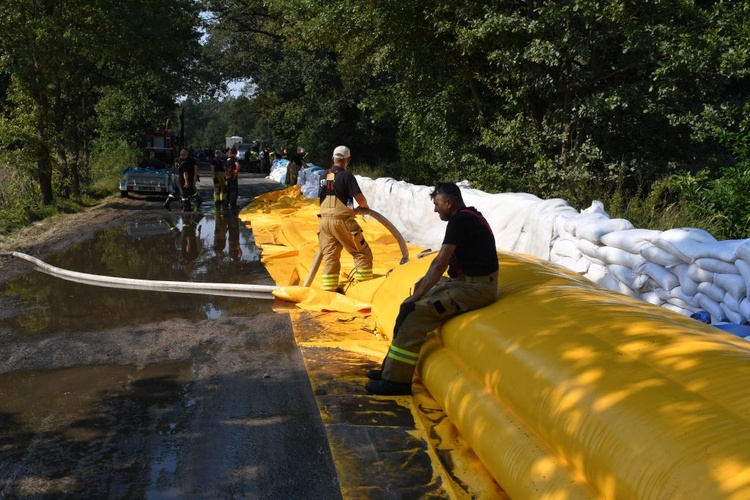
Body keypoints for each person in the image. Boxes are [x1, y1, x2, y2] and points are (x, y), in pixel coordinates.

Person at [365, 182, 500, 396]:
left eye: (437, 204)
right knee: (409, 304)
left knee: (414, 312)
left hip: (476, 288)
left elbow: (440, 263)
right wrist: (427, 286)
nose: (435, 209)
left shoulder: (459, 221)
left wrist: (418, 296)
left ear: (449, 202)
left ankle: (396, 382)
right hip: (470, 282)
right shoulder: (469, 216)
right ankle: (389, 369)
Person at [317, 145, 373, 292]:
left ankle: (329, 291)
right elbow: (360, 198)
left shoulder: (324, 175)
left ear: (332, 159)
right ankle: (364, 289)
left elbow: (323, 196)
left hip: (324, 222)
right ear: (348, 160)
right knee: (361, 252)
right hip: (342, 221)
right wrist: (364, 207)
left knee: (330, 256)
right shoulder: (347, 176)